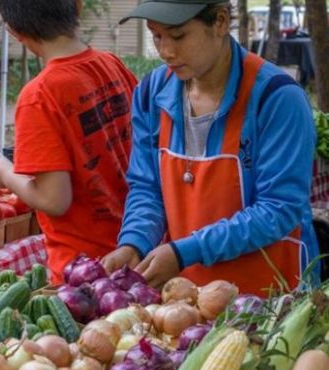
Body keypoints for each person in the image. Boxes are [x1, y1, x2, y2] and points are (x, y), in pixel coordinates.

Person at [102, 0, 319, 296]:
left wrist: (184, 252)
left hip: (272, 295)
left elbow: (278, 209)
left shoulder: (276, 99)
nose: (165, 51)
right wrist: (134, 242)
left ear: (219, 22)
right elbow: (147, 187)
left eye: (178, 36)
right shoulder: (151, 94)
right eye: (156, 35)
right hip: (189, 298)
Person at [0, 0, 139, 285]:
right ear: (78, 6)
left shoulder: (39, 97)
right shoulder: (112, 65)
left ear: (15, 31)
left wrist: (5, 173)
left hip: (86, 275)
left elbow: (54, 200)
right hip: (138, 250)